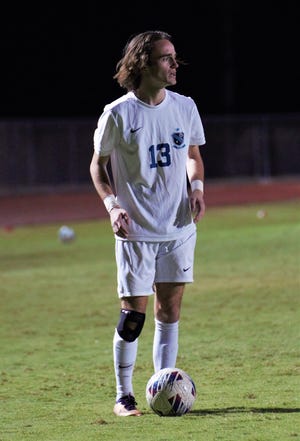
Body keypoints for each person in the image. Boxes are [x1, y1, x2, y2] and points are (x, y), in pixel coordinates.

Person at [90, 30, 206, 417]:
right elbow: (98, 164)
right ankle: (124, 395)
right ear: (143, 64)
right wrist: (112, 206)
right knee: (133, 316)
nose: (175, 65)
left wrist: (197, 187)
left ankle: (163, 386)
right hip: (136, 231)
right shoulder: (118, 114)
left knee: (169, 310)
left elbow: (192, 154)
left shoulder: (185, 106)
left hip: (177, 227)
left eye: (174, 57)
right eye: (166, 58)